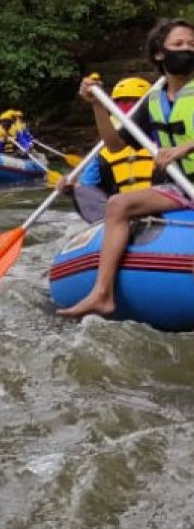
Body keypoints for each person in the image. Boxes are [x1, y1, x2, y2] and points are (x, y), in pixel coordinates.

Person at [58, 18, 194, 318]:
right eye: (179, 44)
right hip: (180, 187)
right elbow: (115, 145)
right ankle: (102, 294)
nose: (187, 49)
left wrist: (185, 146)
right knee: (118, 203)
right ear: (160, 53)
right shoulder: (154, 100)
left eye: (192, 45)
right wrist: (98, 106)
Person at [60, 77, 155, 223]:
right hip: (119, 211)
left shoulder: (163, 138)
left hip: (159, 206)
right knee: (79, 189)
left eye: (135, 101)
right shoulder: (104, 148)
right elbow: (87, 186)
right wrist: (70, 188)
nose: (129, 106)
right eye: (123, 102)